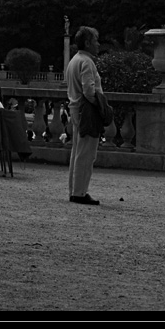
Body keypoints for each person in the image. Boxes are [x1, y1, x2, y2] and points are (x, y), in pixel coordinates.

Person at [64, 26, 103, 205]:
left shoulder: (74, 60)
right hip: (86, 110)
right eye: (95, 40)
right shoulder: (87, 62)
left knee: (77, 152)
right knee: (86, 154)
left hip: (75, 109)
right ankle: (80, 192)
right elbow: (89, 90)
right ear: (87, 43)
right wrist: (101, 104)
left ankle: (75, 190)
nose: (98, 44)